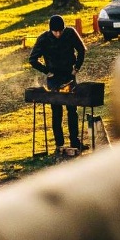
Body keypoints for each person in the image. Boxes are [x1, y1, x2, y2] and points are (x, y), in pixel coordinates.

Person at [28, 14, 87, 151]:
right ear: (51, 30)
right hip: (54, 79)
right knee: (56, 111)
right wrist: (46, 71)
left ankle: (75, 141)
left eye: (60, 31)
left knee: (72, 110)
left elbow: (81, 50)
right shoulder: (43, 39)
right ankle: (59, 144)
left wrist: (76, 68)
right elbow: (32, 59)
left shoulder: (70, 33)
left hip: (69, 75)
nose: (58, 34)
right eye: (55, 31)